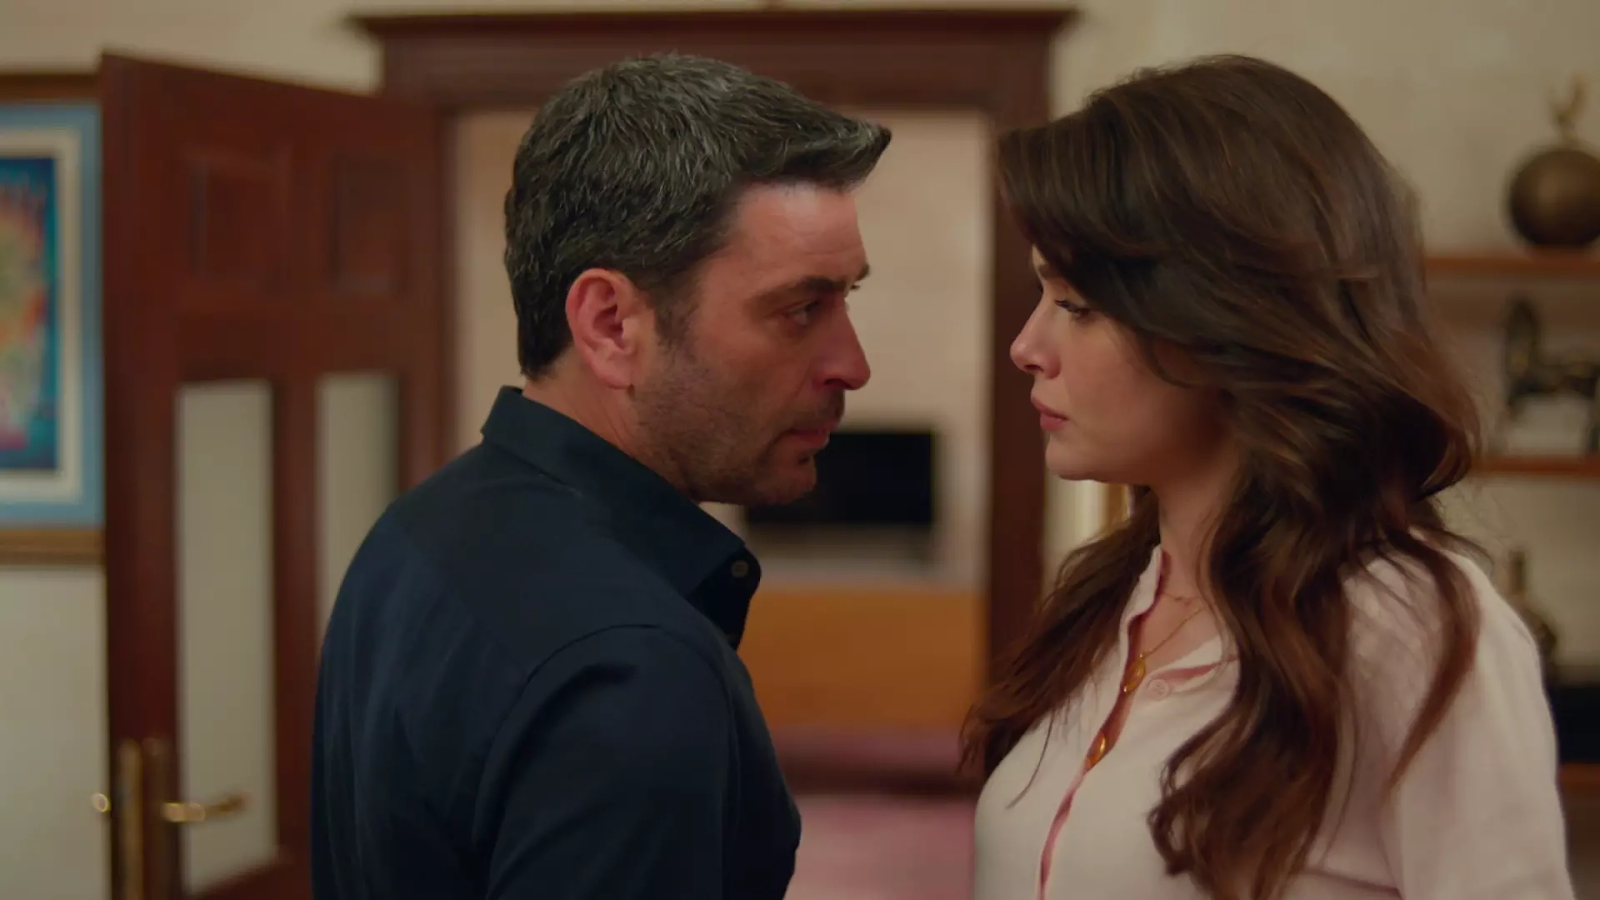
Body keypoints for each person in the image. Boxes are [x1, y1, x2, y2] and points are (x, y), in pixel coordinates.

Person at [966, 55, 1576, 900]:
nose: (1026, 347)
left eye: (1076, 304)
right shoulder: (1102, 602)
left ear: (1224, 317)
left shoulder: (1414, 631)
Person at [310, 54, 888, 900]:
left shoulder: (417, 528)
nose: (853, 365)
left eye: (846, 300)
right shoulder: (632, 670)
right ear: (612, 324)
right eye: (801, 309)